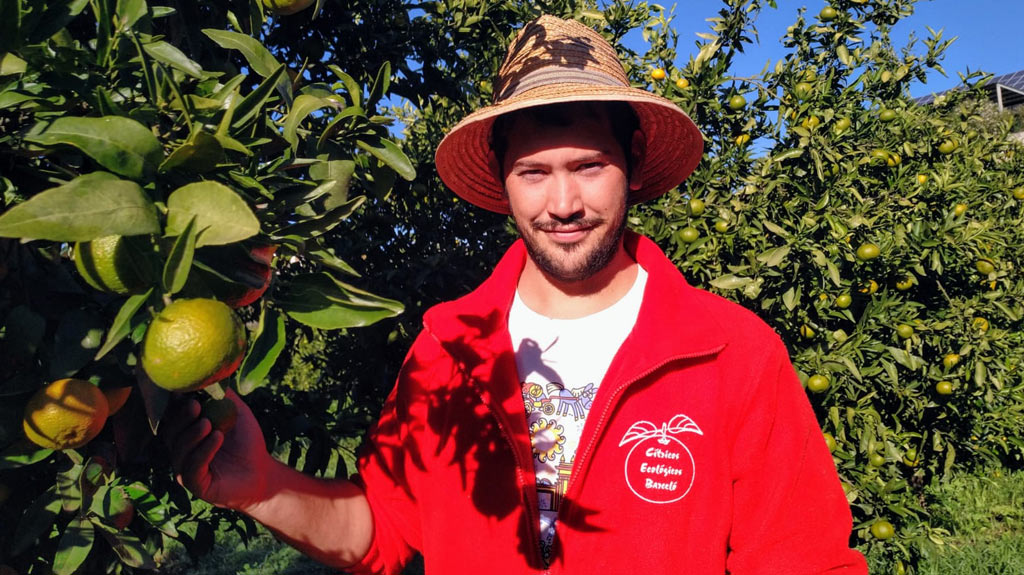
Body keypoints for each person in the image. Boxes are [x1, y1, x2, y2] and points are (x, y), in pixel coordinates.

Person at [165, 15, 869, 575]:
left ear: (631, 166)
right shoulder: (448, 348)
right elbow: (384, 532)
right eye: (534, 172)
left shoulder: (727, 352)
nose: (563, 202)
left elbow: (802, 559)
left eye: (589, 166)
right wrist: (259, 483)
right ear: (503, 180)